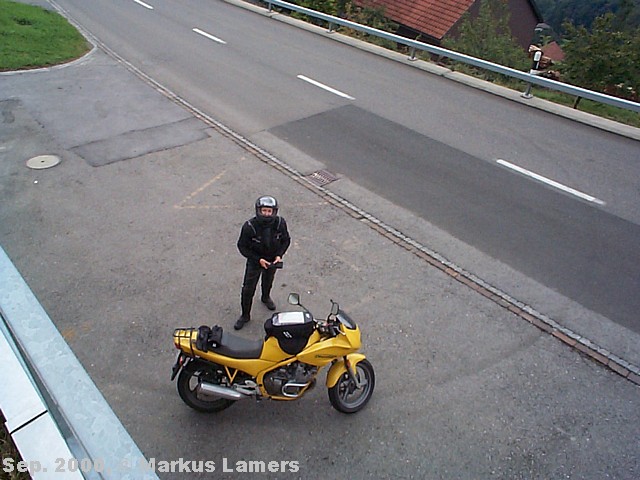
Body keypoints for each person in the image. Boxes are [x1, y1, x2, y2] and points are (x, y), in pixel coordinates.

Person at [235, 195, 291, 330]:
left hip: (272, 259)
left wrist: (279, 255)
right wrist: (258, 260)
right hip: (255, 261)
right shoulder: (249, 226)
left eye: (269, 211)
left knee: (268, 281)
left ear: (274, 212)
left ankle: (266, 298)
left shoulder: (280, 223)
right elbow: (242, 246)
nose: (266, 214)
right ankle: (245, 315)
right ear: (258, 211)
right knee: (248, 289)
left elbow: (286, 240)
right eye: (264, 211)